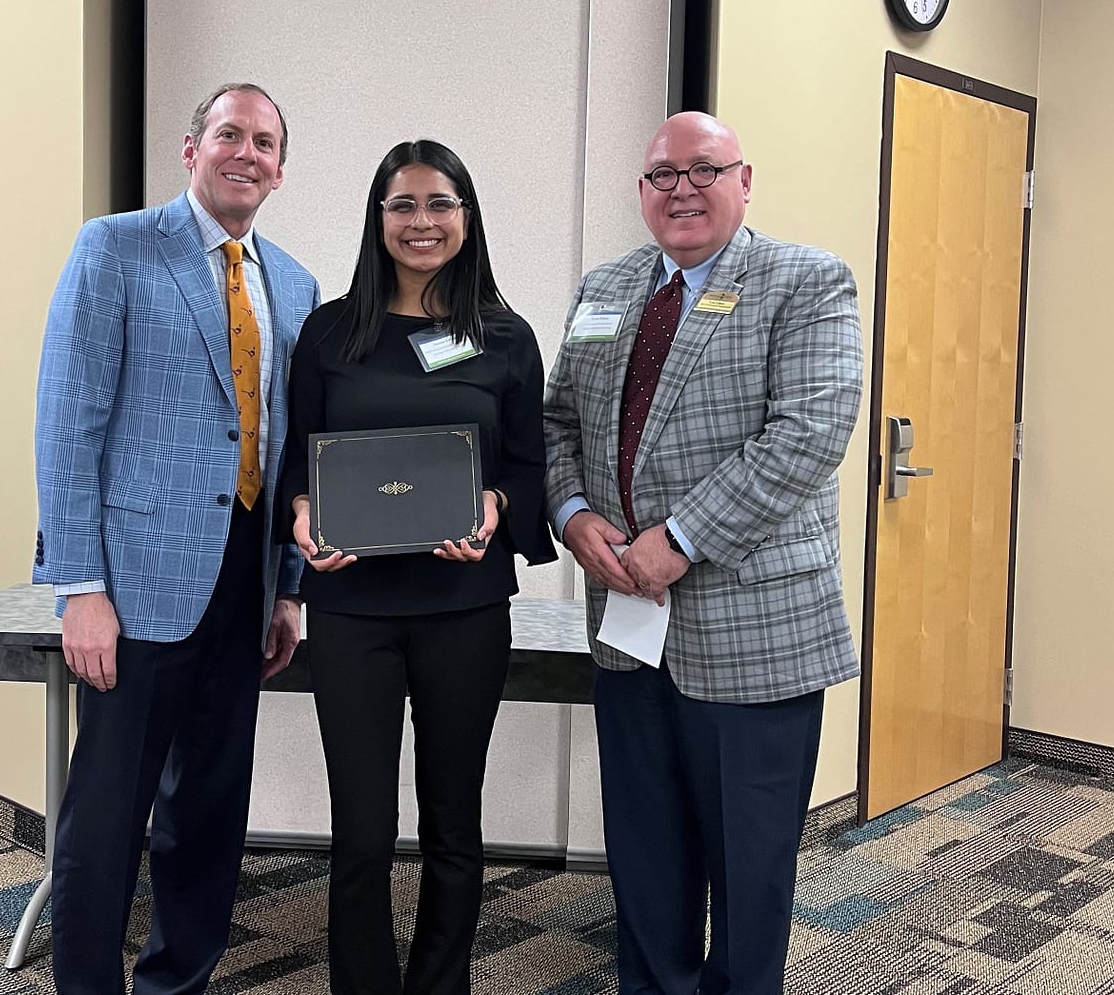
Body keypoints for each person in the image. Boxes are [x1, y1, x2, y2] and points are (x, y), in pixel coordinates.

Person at [542, 111, 863, 995]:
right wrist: (572, 514)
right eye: (662, 175)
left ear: (744, 180)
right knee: (646, 855)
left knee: (749, 870)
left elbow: (808, 434)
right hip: (626, 626)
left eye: (704, 169)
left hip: (753, 631)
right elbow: (558, 422)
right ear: (642, 191)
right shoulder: (606, 288)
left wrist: (681, 540)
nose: (682, 189)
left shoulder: (805, 281)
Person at [33, 82, 320, 995]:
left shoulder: (295, 284)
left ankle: (176, 981)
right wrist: (81, 587)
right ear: (192, 150)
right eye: (230, 134)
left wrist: (287, 587)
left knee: (208, 812)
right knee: (107, 816)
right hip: (133, 584)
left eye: (265, 142)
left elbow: (289, 448)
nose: (247, 153)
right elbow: (67, 426)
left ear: (280, 170)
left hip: (244, 584)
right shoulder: (115, 248)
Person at [280, 139, 556, 995]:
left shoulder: (505, 337)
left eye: (440, 203)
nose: (421, 222)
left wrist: (496, 505)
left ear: (466, 217)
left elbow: (529, 466)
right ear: (378, 219)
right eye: (403, 204)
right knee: (361, 833)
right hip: (350, 611)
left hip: (463, 608)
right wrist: (300, 515)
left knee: (453, 826)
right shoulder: (329, 331)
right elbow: (295, 461)